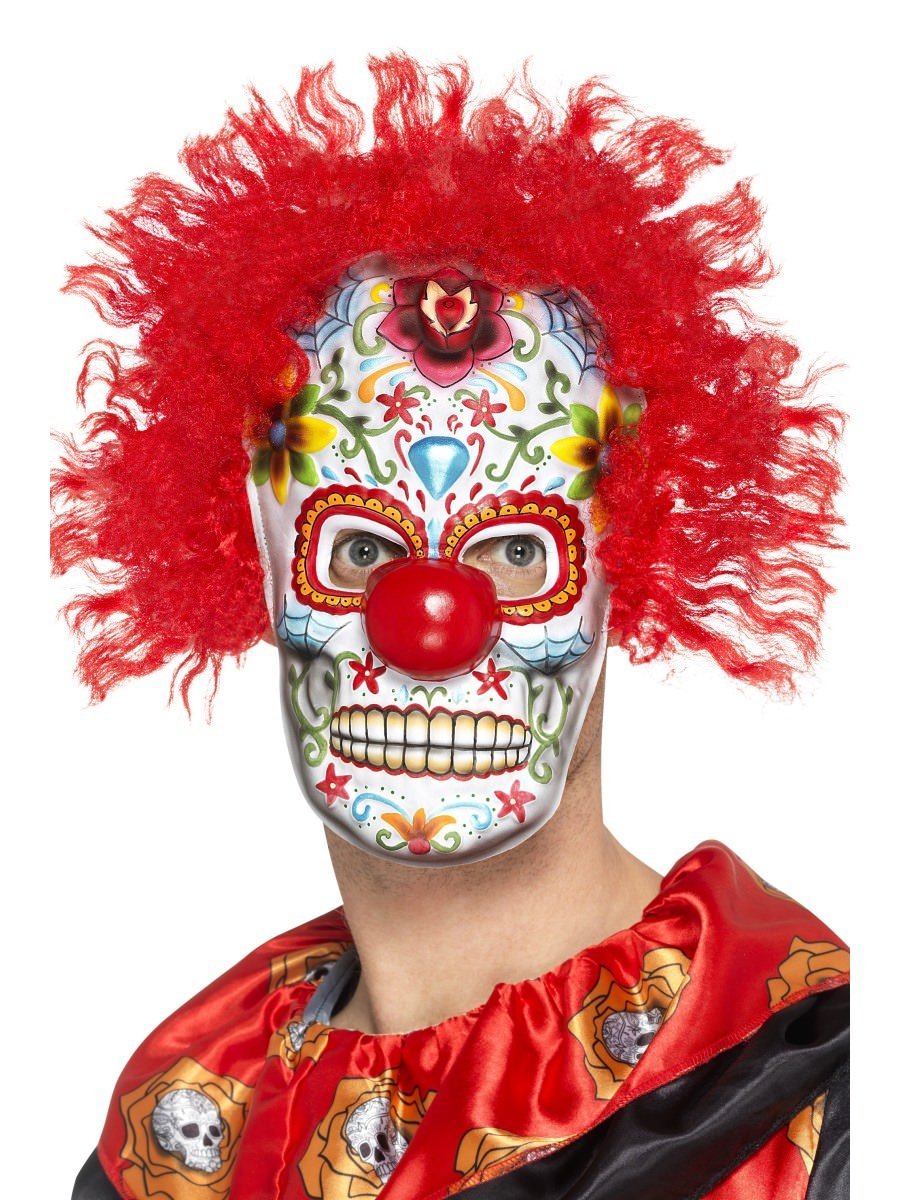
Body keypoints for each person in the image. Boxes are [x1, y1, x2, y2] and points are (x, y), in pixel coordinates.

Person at [54, 57, 849, 1200]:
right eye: (361, 552)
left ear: (635, 556)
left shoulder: (821, 1090)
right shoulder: (181, 1130)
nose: (431, 626)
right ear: (249, 556)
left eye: (517, 553)